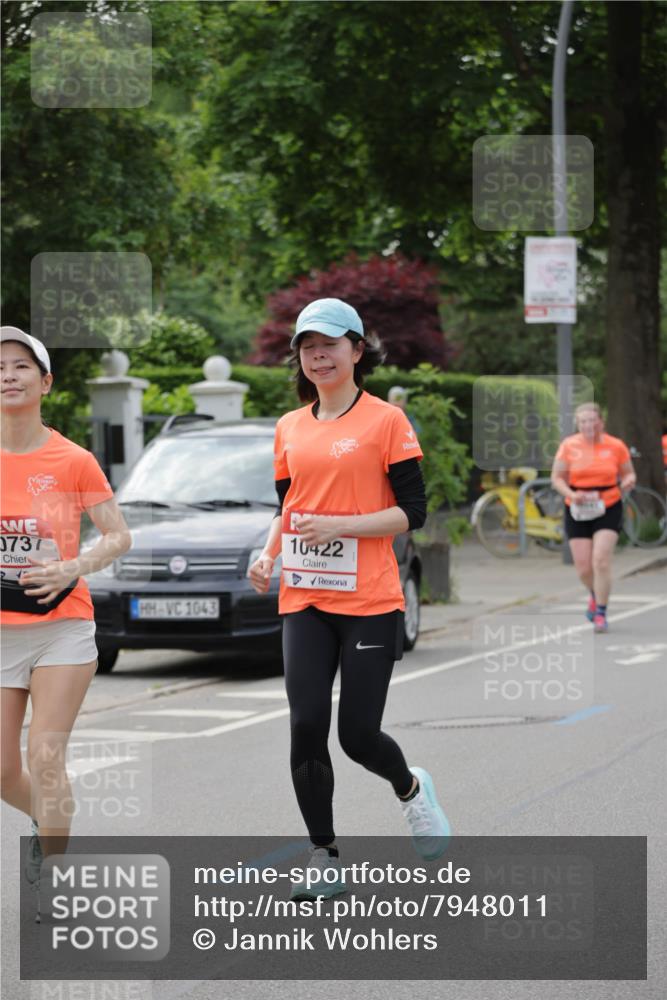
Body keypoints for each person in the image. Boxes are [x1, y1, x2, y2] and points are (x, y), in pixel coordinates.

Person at [248, 298, 449, 900]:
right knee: (306, 723)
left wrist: (343, 526)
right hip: (305, 596)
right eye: (308, 345)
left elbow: (412, 513)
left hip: (369, 597)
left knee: (357, 735)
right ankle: (324, 852)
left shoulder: (386, 421)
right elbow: (290, 508)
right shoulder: (289, 426)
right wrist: (269, 553)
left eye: (330, 343)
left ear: (358, 350)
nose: (318, 354)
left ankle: (411, 789)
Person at [0, 327, 132, 916]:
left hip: (63, 628)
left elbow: (118, 536)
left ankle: (53, 871)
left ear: (45, 381)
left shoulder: (73, 459)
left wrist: (71, 568)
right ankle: (46, 820)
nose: (7, 375)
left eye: (20, 365)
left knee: (45, 757)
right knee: (3, 771)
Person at [551, 402, 636, 633]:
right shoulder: (569, 446)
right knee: (583, 568)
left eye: (592, 420)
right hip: (577, 506)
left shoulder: (615, 446)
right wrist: (571, 494)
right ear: (578, 424)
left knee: (600, 560)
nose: (589, 425)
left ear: (601, 422)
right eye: (583, 421)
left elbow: (628, 473)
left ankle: (601, 611)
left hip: (608, 504)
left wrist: (628, 481)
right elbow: (557, 478)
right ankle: (594, 593)